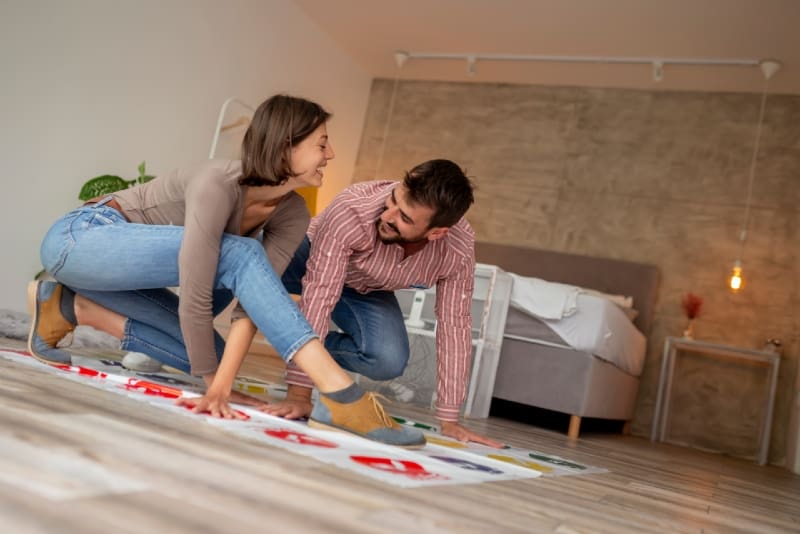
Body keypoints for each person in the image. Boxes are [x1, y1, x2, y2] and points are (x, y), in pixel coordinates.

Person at [27, 94, 425, 448]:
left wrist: (221, 386)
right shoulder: (217, 182)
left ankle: (70, 308)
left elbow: (248, 305)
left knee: (211, 358)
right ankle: (339, 392)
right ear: (286, 146)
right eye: (322, 143)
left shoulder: (293, 212)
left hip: (108, 280)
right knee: (238, 255)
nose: (331, 153)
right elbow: (199, 293)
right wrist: (214, 387)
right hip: (80, 239)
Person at [272, 159, 503, 447]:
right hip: (307, 257)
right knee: (253, 253)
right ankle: (287, 332)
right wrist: (299, 395)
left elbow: (455, 325)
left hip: (365, 288)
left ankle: (287, 331)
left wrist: (449, 419)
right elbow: (321, 293)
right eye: (393, 201)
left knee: (387, 361)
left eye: (405, 218)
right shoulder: (354, 207)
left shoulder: (456, 249)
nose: (388, 216)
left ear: (436, 233)